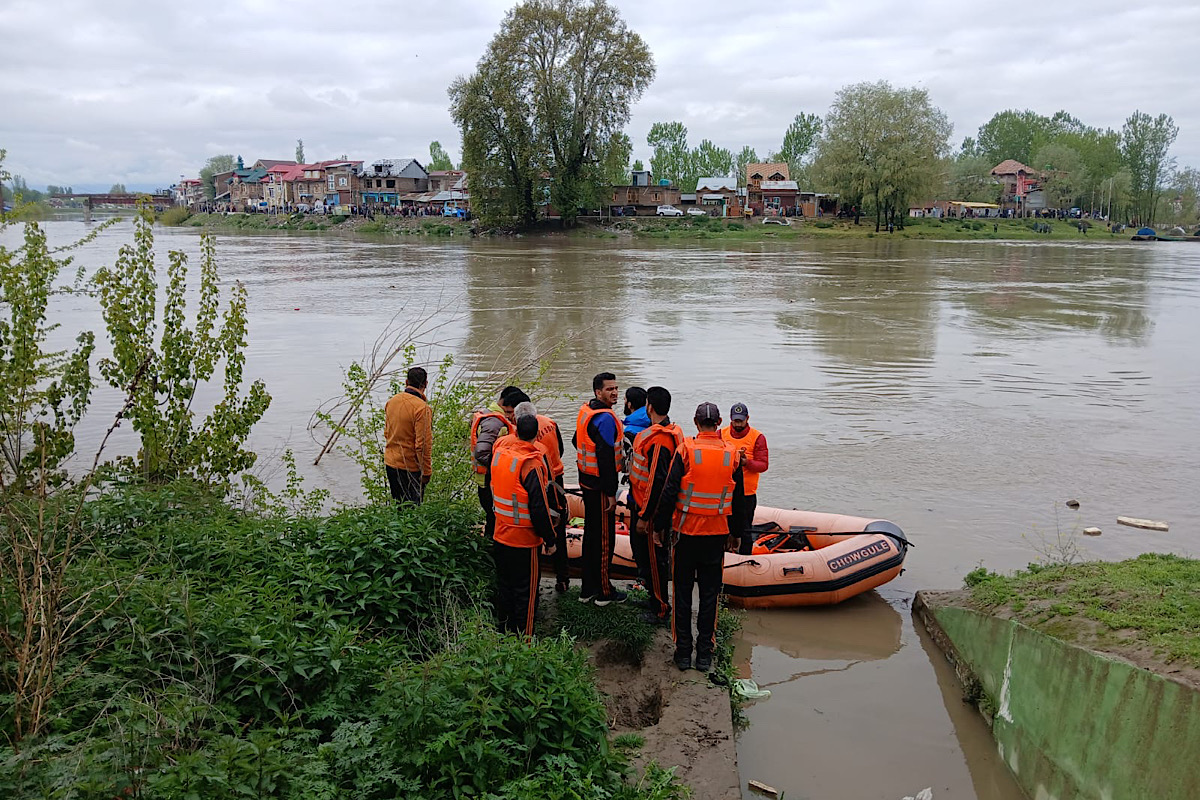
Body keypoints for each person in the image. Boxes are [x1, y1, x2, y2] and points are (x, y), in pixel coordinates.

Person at [656, 402, 745, 673]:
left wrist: (661, 526)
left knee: (682, 592)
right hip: (716, 536)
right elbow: (739, 500)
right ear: (719, 423)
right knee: (709, 595)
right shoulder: (732, 454)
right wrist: (736, 533)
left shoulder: (686, 450)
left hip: (685, 535)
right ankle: (704, 654)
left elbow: (669, 491)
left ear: (696, 423)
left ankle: (683, 653)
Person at [489, 402, 558, 638]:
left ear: (515, 429)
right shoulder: (531, 463)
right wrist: (550, 538)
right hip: (524, 541)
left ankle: (503, 634)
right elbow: (539, 508)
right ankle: (524, 642)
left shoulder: (500, 453)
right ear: (537, 434)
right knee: (526, 594)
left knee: (506, 589)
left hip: (500, 534)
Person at [628, 386, 683, 624]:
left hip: (648, 511)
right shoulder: (666, 432)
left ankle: (660, 608)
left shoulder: (660, 440)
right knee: (644, 557)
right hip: (640, 504)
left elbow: (656, 483)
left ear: (649, 406)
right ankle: (652, 596)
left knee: (655, 560)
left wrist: (646, 516)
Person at [572, 371, 626, 605]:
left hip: (586, 482)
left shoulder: (587, 411)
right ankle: (604, 592)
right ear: (598, 392)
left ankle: (587, 589)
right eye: (609, 389)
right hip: (600, 488)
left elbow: (576, 440)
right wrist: (611, 493)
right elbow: (606, 460)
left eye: (616, 388)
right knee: (605, 540)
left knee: (591, 536)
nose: (614, 392)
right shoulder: (604, 419)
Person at [470, 387, 527, 538]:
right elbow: (481, 452)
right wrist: (503, 465)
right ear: (509, 408)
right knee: (495, 519)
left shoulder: (487, 414)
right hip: (489, 481)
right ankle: (492, 555)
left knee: (492, 519)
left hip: (486, 480)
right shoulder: (495, 423)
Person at [721, 402, 769, 554]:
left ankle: (745, 559)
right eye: (736, 420)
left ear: (747, 418)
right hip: (725, 493)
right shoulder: (721, 434)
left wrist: (746, 462)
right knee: (723, 530)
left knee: (745, 531)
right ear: (730, 419)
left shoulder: (757, 437)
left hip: (746, 495)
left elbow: (763, 465)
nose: (738, 424)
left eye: (741, 420)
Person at [383, 366, 432, 505]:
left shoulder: (392, 401)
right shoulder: (422, 408)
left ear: (406, 382)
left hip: (391, 463)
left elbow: (387, 433)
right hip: (410, 468)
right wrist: (426, 471)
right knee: (412, 509)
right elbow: (422, 445)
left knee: (399, 506)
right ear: (426, 384)